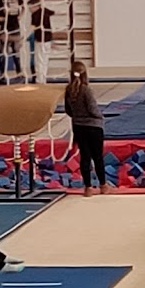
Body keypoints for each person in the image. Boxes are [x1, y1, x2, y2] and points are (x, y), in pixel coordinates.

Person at [64, 62, 114, 197]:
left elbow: (68, 110)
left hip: (79, 127)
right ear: (85, 74)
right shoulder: (86, 90)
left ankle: (88, 187)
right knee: (98, 157)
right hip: (93, 126)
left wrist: (77, 116)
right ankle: (103, 185)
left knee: (85, 157)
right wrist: (100, 116)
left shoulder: (69, 90)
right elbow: (92, 108)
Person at [0, 0, 24, 81]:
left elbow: (23, 7)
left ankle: (19, 72)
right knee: (4, 50)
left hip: (15, 26)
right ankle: (2, 73)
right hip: (5, 26)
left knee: (16, 49)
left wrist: (20, 15)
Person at [27, 0, 54, 84]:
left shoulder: (35, 14)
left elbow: (32, 27)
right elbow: (53, 12)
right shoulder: (44, 11)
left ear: (36, 6)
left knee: (39, 61)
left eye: (30, 7)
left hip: (40, 41)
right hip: (48, 40)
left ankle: (40, 81)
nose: (29, 10)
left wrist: (23, 37)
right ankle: (43, 80)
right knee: (45, 61)